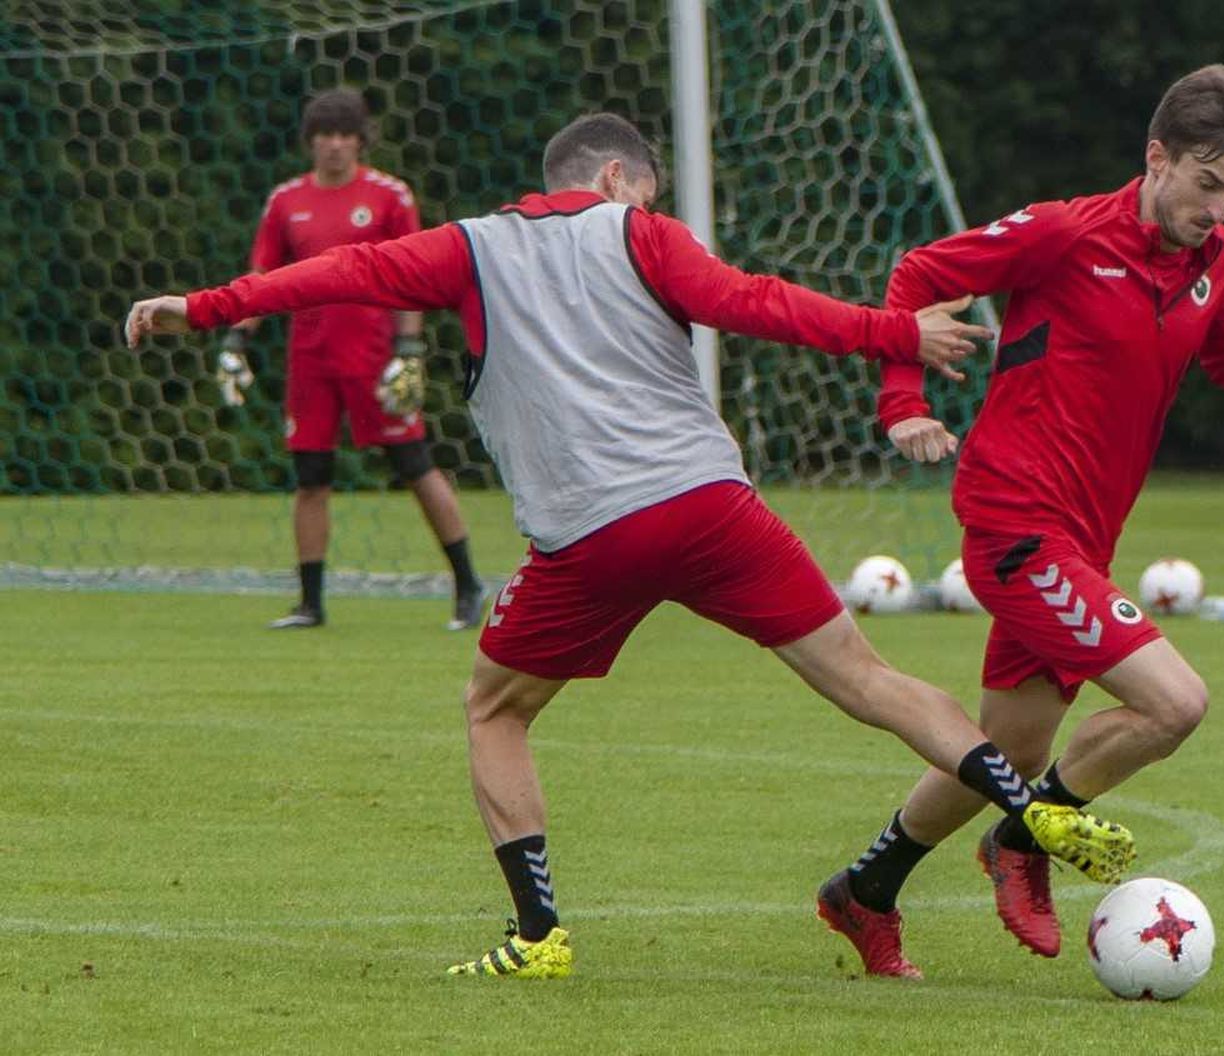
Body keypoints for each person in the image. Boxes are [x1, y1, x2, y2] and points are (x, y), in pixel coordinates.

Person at [124, 112, 1130, 980]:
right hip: (712, 509)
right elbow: (755, 303)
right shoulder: (642, 234)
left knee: (494, 707)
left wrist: (201, 308)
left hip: (588, 538)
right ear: (615, 178)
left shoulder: (466, 246)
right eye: (643, 190)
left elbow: (336, 276)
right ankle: (1025, 807)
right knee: (867, 678)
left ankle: (540, 934)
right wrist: (892, 335)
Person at [817, 64, 1224, 978]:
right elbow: (921, 274)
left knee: (1010, 748)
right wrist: (902, 400)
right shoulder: (1062, 233)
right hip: (1015, 525)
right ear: (1155, 158)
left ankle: (864, 891)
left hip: (1084, 541)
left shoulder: (1212, 264)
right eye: (1205, 184)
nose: (1219, 209)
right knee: (1175, 703)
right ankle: (1023, 842)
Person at [221, 88, 484, 631]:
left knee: (414, 466)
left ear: (361, 140)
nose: (334, 145)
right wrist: (235, 343)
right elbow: (261, 278)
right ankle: (310, 603)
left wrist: (408, 351)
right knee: (311, 476)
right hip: (310, 362)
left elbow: (417, 275)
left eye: (345, 135)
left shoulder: (389, 196)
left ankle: (467, 584)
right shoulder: (285, 202)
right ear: (310, 142)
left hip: (373, 357)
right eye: (324, 135)